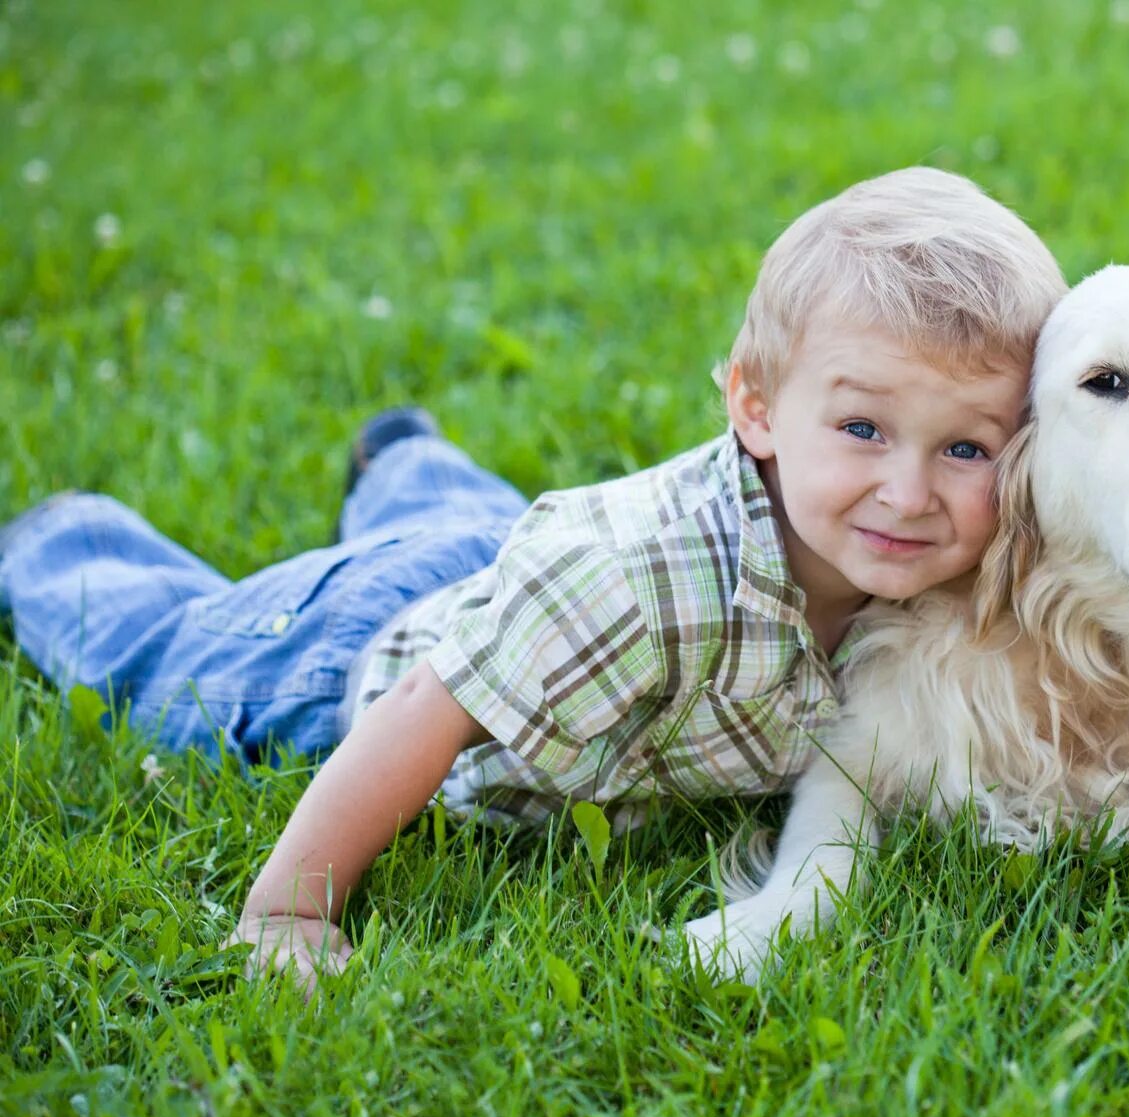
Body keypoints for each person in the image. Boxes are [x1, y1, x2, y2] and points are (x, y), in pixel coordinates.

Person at [0, 167, 1067, 990]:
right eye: (861, 427)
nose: (908, 490)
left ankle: (407, 466)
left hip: (505, 566)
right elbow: (429, 701)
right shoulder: (639, 589)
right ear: (752, 406)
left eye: (964, 449)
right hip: (350, 663)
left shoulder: (937, 569)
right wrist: (291, 911)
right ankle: (64, 536)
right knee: (159, 661)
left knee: (480, 541)